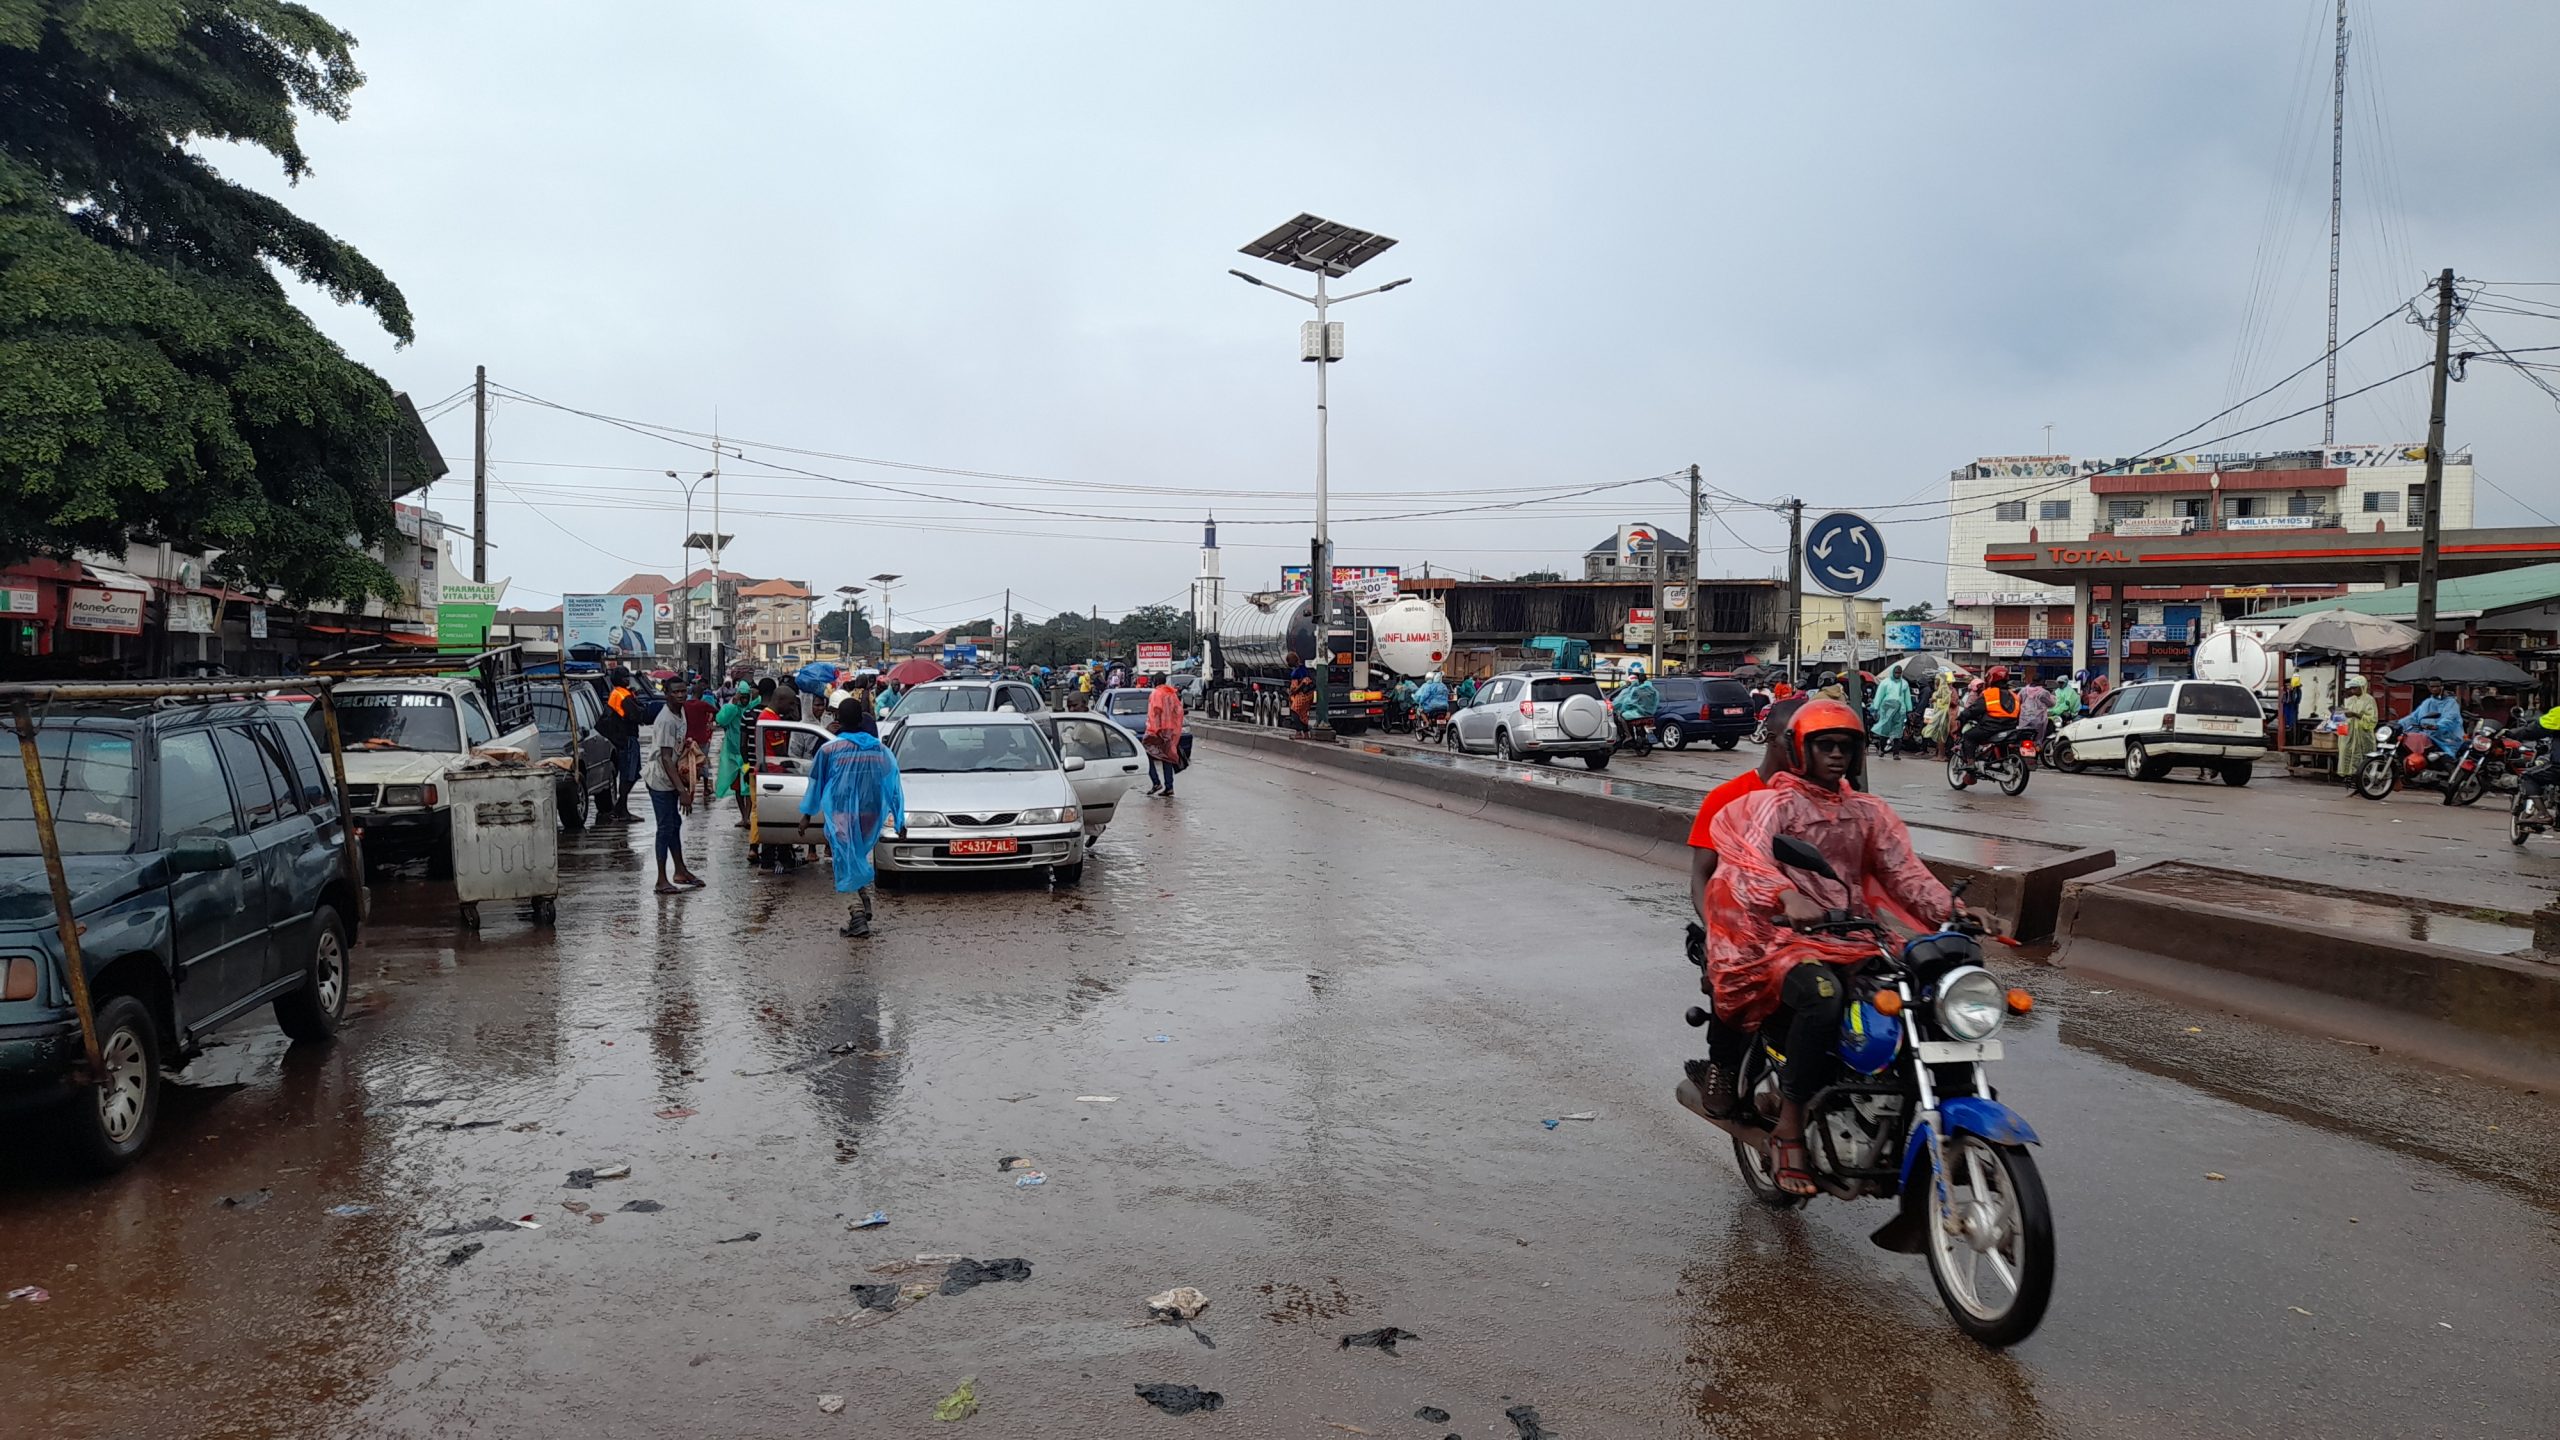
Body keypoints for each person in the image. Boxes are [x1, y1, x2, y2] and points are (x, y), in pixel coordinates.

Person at [1705, 699, 1955, 1195]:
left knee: (1925, 992)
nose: (1837, 755)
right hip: (1780, 939)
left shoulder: (1867, 811)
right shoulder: (1773, 803)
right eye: (1826, 746)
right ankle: (1791, 1124)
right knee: (1822, 996)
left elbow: (1904, 872)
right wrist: (1785, 895)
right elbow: (1749, 859)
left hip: (1852, 933)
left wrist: (1953, 911)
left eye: (1846, 746)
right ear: (1801, 750)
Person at [1682, 694, 1807, 1119]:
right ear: (1772, 739)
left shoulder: (1823, 801)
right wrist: (1719, 928)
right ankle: (1722, 1066)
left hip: (1808, 933)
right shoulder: (1728, 797)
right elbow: (1701, 876)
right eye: (1800, 741)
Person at [798, 698, 906, 938]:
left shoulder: (829, 750)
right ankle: (863, 897)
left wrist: (806, 816)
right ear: (861, 720)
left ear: (837, 720)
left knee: (844, 862)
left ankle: (856, 915)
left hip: (842, 816)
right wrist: (899, 820)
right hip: (870, 816)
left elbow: (816, 785)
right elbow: (893, 785)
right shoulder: (880, 751)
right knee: (856, 857)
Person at [643, 688, 704, 894]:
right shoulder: (665, 720)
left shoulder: (681, 712)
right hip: (660, 780)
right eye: (675, 692)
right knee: (664, 827)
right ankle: (661, 879)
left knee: (674, 823)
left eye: (683, 691)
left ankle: (680, 870)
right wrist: (682, 791)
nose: (681, 695)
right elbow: (666, 758)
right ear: (666, 694)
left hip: (672, 778)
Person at [1954, 665, 2021, 778]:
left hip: (1990, 727)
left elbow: (1975, 709)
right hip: (2010, 728)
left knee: (1969, 736)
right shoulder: (2014, 696)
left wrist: (1962, 716)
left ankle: (1970, 763)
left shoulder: (1989, 693)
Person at [598, 668, 643, 820]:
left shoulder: (620, 693)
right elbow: (636, 715)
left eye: (627, 677)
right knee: (628, 775)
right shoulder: (622, 695)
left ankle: (620, 807)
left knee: (633, 773)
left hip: (623, 738)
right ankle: (621, 809)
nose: (627, 680)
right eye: (624, 677)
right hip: (627, 739)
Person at [714, 679, 755, 827]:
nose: (744, 700)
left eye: (746, 697)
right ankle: (744, 816)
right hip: (734, 757)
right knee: (738, 787)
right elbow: (720, 719)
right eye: (741, 697)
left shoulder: (752, 709)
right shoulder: (732, 710)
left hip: (746, 756)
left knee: (748, 787)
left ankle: (749, 816)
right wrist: (732, 703)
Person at [1144, 673, 1186, 796]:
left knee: (1147, 755)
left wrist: (1156, 729)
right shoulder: (1171, 693)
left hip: (1157, 730)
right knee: (1166, 757)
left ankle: (1156, 782)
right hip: (1170, 730)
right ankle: (1169, 786)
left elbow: (1156, 712)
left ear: (1155, 681)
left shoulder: (1156, 694)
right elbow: (1178, 711)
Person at [2405, 681, 2464, 758]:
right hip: (2429, 735)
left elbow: (2450, 718)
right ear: (2429, 688)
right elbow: (2414, 716)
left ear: (2442, 687)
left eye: (2437, 686)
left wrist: (2437, 726)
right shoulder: (2427, 702)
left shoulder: (2451, 703)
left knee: (2447, 757)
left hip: (2447, 737)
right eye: (2432, 687)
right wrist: (2399, 723)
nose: (2434, 689)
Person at [681, 679, 717, 807]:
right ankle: (706, 788)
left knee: (686, 762)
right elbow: (716, 711)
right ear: (701, 694)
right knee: (703, 761)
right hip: (702, 739)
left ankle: (685, 785)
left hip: (688, 739)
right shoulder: (703, 705)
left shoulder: (684, 705)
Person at [2336, 673, 2378, 781]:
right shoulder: (2349, 700)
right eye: (2352, 688)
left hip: (2362, 735)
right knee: (2346, 753)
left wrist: (2355, 715)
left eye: (2355, 687)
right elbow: (2343, 717)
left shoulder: (2369, 700)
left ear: (2362, 687)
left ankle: (2363, 779)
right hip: (2349, 734)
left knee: (2363, 756)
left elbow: (2372, 719)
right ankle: (2349, 777)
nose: (2353, 690)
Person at [1869, 667, 1912, 758]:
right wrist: (1875, 707)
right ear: (1893, 672)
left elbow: (1907, 698)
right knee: (1884, 731)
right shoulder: (1885, 683)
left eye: (1899, 673)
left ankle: (1896, 753)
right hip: (1886, 710)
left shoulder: (1904, 684)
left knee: (1898, 732)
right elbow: (1879, 695)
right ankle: (1881, 749)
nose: (1898, 674)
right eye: (1896, 672)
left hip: (1900, 710)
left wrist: (1909, 710)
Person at [1614, 666, 1659, 742]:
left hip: (1638, 713)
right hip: (1650, 713)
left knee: (1621, 716)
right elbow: (1656, 701)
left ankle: (1628, 736)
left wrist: (1622, 710)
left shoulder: (1636, 690)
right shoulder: (1653, 690)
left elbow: (1627, 702)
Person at [2017, 672, 2054, 750]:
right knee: (2039, 738)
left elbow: (2017, 700)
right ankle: (2038, 746)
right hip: (2038, 721)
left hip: (2024, 720)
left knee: (2022, 738)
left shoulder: (2023, 690)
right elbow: (2051, 704)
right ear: (2041, 681)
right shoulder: (2043, 692)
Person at [1284, 651, 1314, 734]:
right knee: (1303, 713)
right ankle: (1306, 733)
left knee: (1295, 710)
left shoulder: (1295, 672)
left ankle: (1298, 732)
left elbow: (1295, 687)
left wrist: (1291, 692)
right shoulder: (1304, 668)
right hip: (1309, 694)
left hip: (1301, 695)